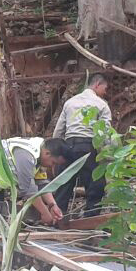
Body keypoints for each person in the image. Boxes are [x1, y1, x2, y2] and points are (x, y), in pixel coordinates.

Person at [0, 137, 73, 225]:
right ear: (47, 154)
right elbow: (29, 191)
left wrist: (52, 205)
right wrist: (45, 213)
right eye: (53, 163)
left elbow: (41, 182)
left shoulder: (40, 149)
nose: (51, 166)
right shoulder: (26, 156)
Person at [52, 73, 113, 216]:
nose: (105, 92)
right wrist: (106, 155)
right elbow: (105, 133)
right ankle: (90, 217)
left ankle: (59, 218)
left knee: (64, 183)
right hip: (88, 145)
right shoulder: (101, 104)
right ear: (97, 84)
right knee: (95, 184)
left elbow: (58, 131)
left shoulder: (70, 102)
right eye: (105, 88)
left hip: (68, 145)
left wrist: (57, 152)